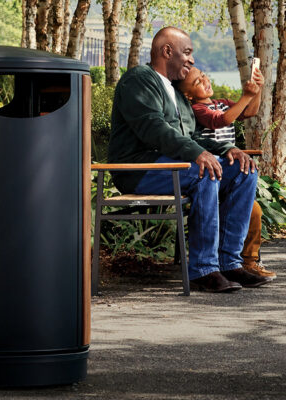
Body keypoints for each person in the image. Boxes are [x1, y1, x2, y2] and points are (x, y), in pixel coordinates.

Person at [108, 26, 272, 292]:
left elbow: (193, 138)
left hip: (173, 165)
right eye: (186, 53)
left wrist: (228, 149)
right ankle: (203, 270)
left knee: (244, 172)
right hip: (139, 169)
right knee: (204, 172)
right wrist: (198, 154)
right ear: (167, 51)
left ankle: (230, 263)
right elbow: (154, 129)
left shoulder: (177, 94)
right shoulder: (139, 79)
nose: (192, 60)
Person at [176, 66, 276, 279]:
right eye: (198, 83)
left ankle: (248, 261)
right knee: (250, 210)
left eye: (203, 76)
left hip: (229, 175)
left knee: (254, 211)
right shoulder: (197, 110)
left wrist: (257, 90)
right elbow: (221, 120)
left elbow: (249, 111)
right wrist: (246, 95)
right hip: (212, 178)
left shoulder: (221, 103)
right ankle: (228, 262)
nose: (205, 81)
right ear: (189, 95)